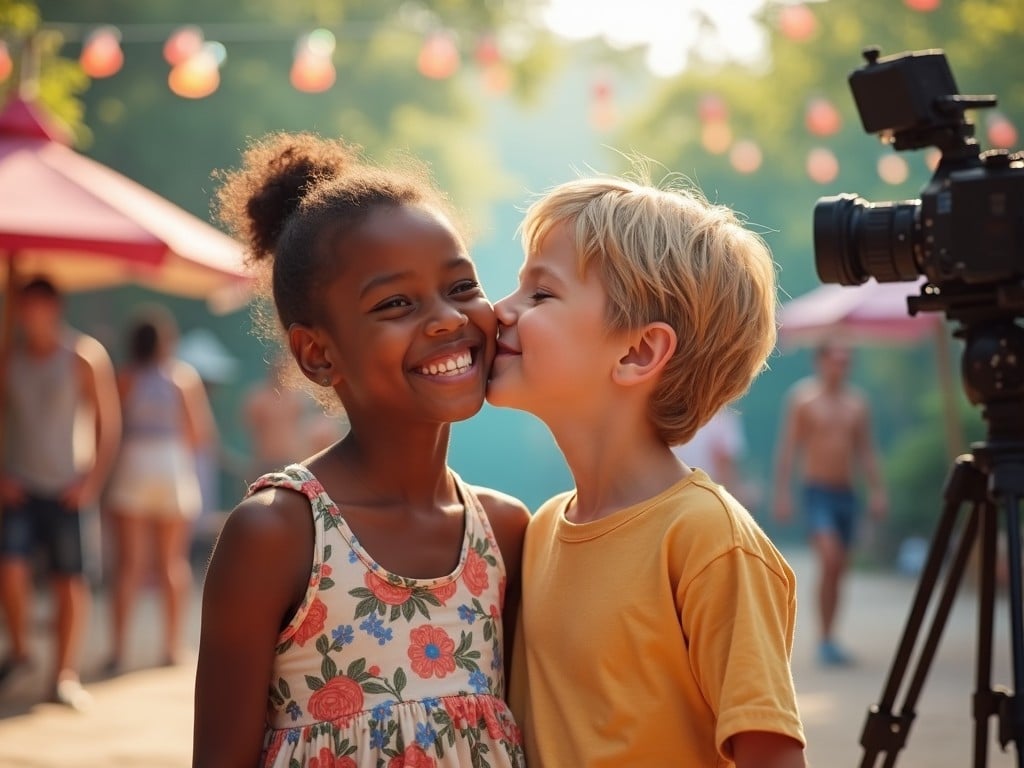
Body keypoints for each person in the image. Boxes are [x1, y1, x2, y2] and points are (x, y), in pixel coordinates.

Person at [193, 133, 530, 768]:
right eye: (395, 303)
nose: (446, 319)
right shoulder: (276, 533)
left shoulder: (507, 532)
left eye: (461, 286)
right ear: (318, 354)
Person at [489, 172, 806, 767]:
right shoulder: (540, 531)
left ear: (638, 353)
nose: (498, 311)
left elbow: (773, 756)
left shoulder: (707, 539)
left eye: (540, 294)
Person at [0, 276, 122, 710]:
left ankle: (63, 676)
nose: (32, 314)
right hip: (19, 485)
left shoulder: (83, 356)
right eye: (24, 306)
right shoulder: (9, 357)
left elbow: (108, 423)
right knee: (9, 568)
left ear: (54, 307)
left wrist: (90, 483)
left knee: (70, 579)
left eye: (38, 305)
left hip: (69, 486)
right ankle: (20, 651)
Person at [104, 306, 217, 671]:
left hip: (133, 466)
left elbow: (112, 428)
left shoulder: (126, 378)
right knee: (172, 562)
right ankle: (171, 649)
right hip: (171, 467)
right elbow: (199, 433)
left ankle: (119, 651)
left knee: (130, 565)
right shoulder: (183, 378)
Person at [773, 341, 888, 666]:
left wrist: (878, 490)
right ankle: (823, 638)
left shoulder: (857, 404)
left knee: (839, 569)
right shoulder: (803, 399)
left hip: (846, 493)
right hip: (816, 491)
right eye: (836, 360)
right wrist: (782, 495)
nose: (841, 366)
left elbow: (866, 450)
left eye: (846, 360)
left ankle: (829, 637)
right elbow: (789, 448)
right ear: (821, 362)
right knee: (830, 556)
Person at [671, 407, 745, 490]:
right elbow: (724, 464)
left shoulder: (669, 418)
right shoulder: (722, 419)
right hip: (705, 489)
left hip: (677, 488)